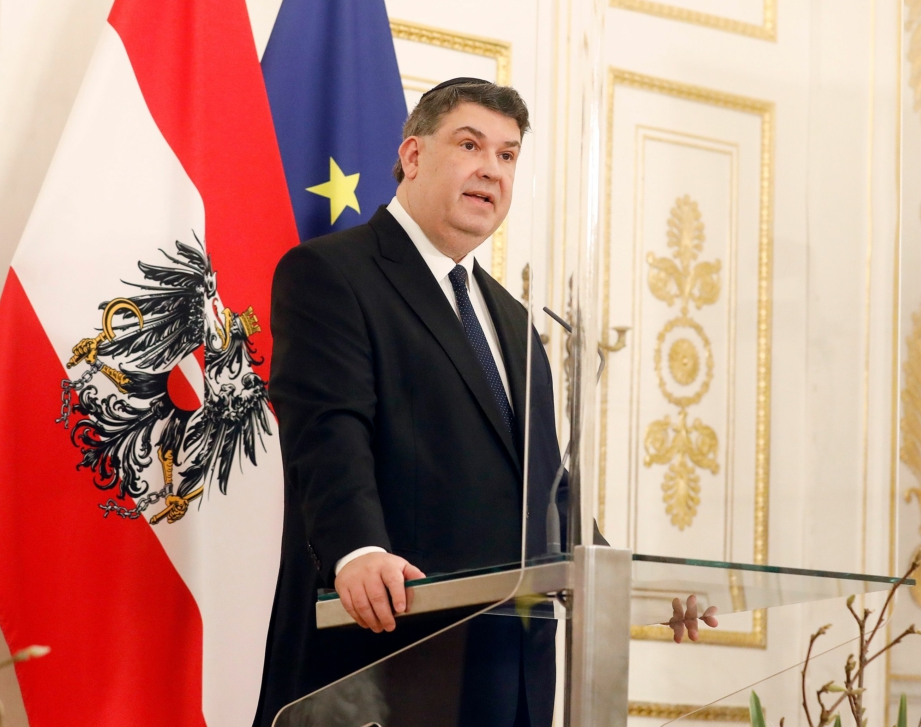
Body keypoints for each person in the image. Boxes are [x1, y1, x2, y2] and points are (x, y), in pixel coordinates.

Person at [253, 79, 715, 727]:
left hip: (510, 670)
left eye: (507, 154)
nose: (491, 170)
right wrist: (357, 550)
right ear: (413, 156)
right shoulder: (333, 274)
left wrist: (627, 583)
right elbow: (328, 433)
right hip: (384, 655)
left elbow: (545, 487)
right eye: (470, 145)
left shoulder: (514, 318)